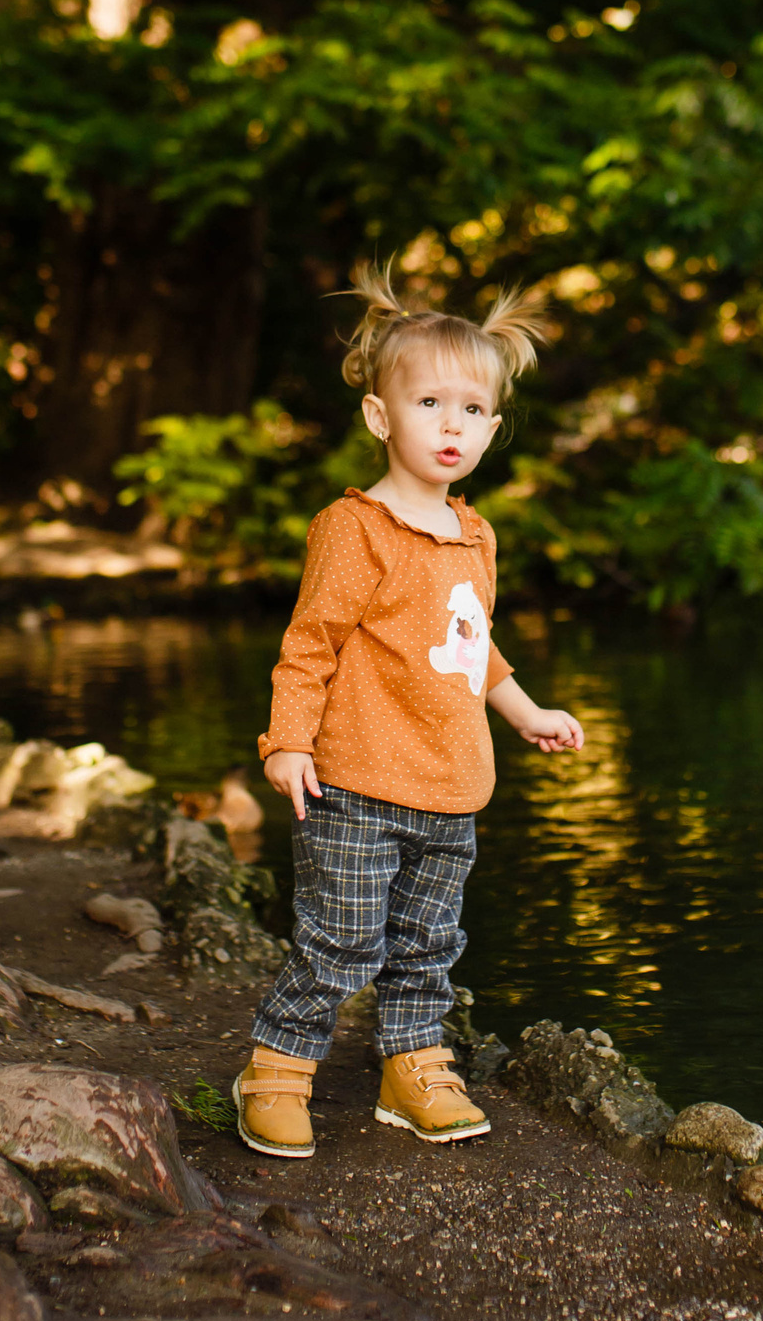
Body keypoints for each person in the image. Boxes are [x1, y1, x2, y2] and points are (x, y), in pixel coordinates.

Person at [234, 263, 585, 1159]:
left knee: (428, 943)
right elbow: (311, 643)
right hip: (354, 782)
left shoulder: (475, 535)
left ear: (493, 429)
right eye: (430, 404)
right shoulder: (355, 528)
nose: (451, 425)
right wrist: (287, 743)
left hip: (451, 786)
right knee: (341, 938)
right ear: (380, 417)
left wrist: (524, 710)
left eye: (472, 409)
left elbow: (473, 646)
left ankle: (412, 1066)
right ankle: (277, 1068)